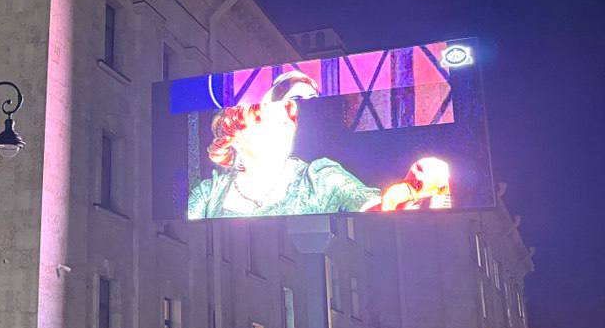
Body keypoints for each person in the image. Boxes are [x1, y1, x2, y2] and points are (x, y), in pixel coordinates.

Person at [187, 71, 451, 219]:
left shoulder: (320, 177)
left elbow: (371, 204)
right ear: (233, 136)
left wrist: (408, 191)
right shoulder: (208, 194)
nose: (283, 128)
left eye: (287, 121)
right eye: (266, 121)